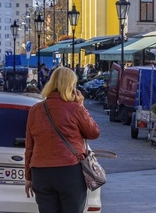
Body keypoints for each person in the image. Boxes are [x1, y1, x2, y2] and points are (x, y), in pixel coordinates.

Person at [25, 67, 100, 213]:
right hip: (69, 171)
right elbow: (93, 133)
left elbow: (30, 146)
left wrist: (28, 176)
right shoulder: (75, 109)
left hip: (41, 172)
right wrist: (81, 106)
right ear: (71, 86)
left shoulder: (36, 110)